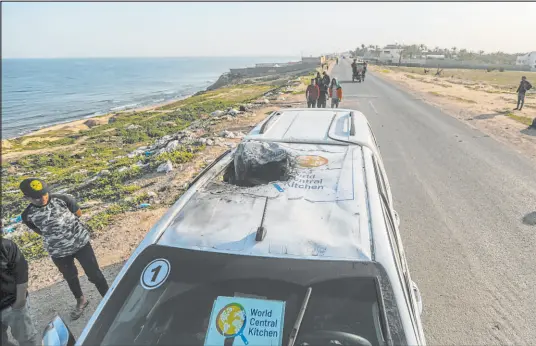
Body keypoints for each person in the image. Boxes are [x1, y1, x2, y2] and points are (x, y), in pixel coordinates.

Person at [20, 178, 109, 320]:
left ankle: (108, 298)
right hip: (58, 252)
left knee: (94, 273)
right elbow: (39, 230)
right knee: (70, 277)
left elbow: (78, 213)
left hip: (81, 244)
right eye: (36, 197)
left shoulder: (63, 199)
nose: (42, 198)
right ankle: (81, 300)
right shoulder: (27, 215)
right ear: (26, 198)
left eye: (44, 194)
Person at [1, 238, 38, 346]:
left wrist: (19, 303)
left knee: (27, 339)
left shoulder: (6, 246)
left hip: (12, 305)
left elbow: (21, 274)